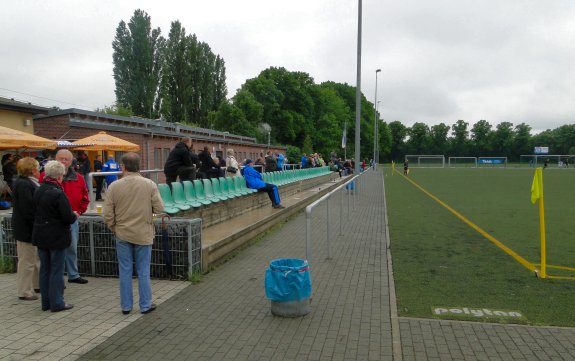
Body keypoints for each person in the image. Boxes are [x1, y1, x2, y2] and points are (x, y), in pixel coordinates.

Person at [103, 153, 164, 315]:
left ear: (123, 167)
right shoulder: (149, 184)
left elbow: (107, 214)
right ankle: (145, 305)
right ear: (139, 166)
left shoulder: (114, 186)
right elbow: (160, 208)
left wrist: (113, 227)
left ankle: (126, 306)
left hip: (122, 233)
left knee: (125, 271)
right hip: (143, 232)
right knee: (144, 271)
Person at [33, 160, 77, 312]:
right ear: (59, 176)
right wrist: (75, 215)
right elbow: (67, 217)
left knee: (45, 269)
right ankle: (57, 303)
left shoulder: (39, 190)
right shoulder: (58, 193)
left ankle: (46, 303)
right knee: (56, 270)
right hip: (57, 236)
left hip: (40, 234)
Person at [52, 149, 90, 284]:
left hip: (72, 218)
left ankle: (73, 274)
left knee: (72, 247)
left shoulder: (78, 178)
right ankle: (57, 277)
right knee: (55, 250)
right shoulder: (46, 176)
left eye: (66, 159)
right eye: (60, 158)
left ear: (71, 161)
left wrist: (79, 212)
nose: (63, 161)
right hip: (53, 220)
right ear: (55, 159)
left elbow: (85, 196)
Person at [12, 157, 41, 301]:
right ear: (32, 169)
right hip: (26, 229)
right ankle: (24, 291)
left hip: (27, 228)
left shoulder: (25, 183)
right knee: (27, 261)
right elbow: (27, 208)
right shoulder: (24, 184)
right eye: (37, 167)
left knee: (33, 259)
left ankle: (36, 285)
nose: (39, 170)